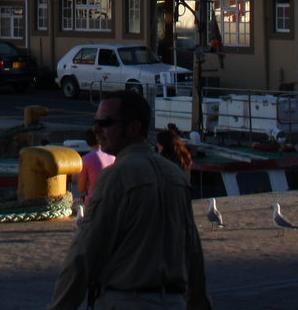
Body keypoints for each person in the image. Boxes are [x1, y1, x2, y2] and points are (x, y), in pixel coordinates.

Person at [49, 90, 209, 310]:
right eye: (96, 121)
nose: (96, 129)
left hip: (126, 300)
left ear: (134, 128)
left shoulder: (116, 176)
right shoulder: (175, 176)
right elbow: (193, 252)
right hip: (174, 302)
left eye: (105, 122)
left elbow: (85, 252)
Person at [76, 127, 115, 205]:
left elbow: (81, 190)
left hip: (94, 203)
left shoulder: (85, 159)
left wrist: (77, 179)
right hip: (112, 202)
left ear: (87, 143)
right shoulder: (113, 157)